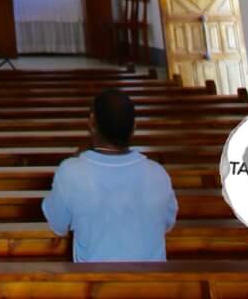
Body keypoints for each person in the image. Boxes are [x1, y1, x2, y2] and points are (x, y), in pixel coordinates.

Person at [41, 87, 178, 263]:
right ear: (134, 127)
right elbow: (167, 224)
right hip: (155, 286)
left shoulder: (71, 171)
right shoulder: (158, 173)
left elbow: (58, 226)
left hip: (93, 284)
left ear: (91, 123)